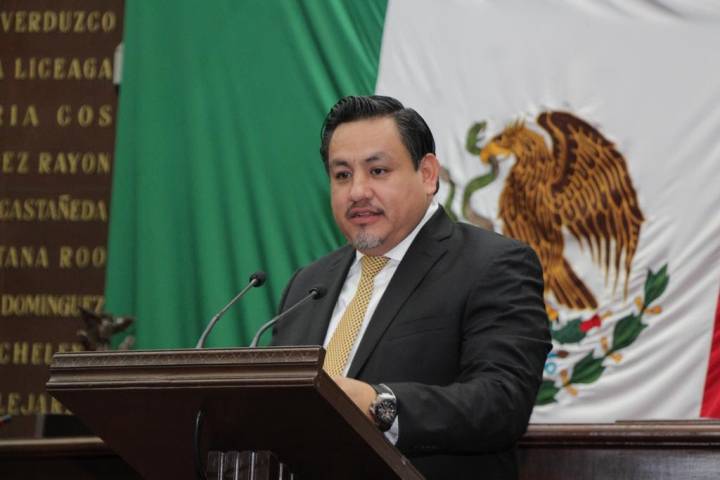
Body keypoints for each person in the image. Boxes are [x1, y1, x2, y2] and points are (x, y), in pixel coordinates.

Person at [272, 95, 551, 479]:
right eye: (342, 175)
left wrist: (380, 404)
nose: (357, 191)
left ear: (428, 174)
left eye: (378, 171)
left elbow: (502, 401)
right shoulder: (307, 285)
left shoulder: (491, 265)